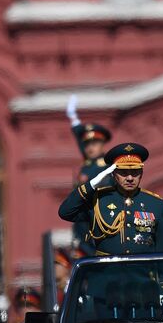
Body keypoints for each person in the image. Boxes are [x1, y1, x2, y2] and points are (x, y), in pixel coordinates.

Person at [58, 142, 163, 255]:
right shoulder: (98, 200)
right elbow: (65, 212)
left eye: (135, 172)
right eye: (123, 172)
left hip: (142, 272)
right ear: (113, 174)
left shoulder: (156, 203)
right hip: (108, 271)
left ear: (141, 173)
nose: (130, 178)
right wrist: (91, 185)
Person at [66, 94, 113, 248]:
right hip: (82, 224)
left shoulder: (108, 166)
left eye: (95, 143)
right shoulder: (88, 162)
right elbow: (80, 137)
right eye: (87, 145)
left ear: (103, 145)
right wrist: (73, 117)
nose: (90, 148)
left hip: (100, 222)